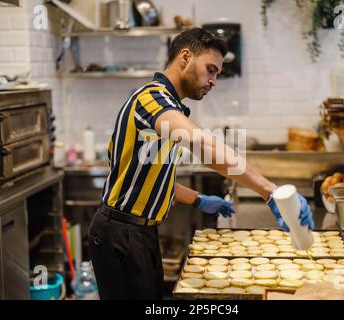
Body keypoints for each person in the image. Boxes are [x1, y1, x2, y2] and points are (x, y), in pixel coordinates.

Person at [88, 28, 314, 300]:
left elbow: (151, 177)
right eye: (210, 70)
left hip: (140, 232)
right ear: (185, 57)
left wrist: (197, 199)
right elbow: (203, 146)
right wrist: (270, 191)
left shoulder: (168, 106)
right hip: (120, 233)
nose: (214, 81)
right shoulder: (152, 99)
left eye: (217, 73)